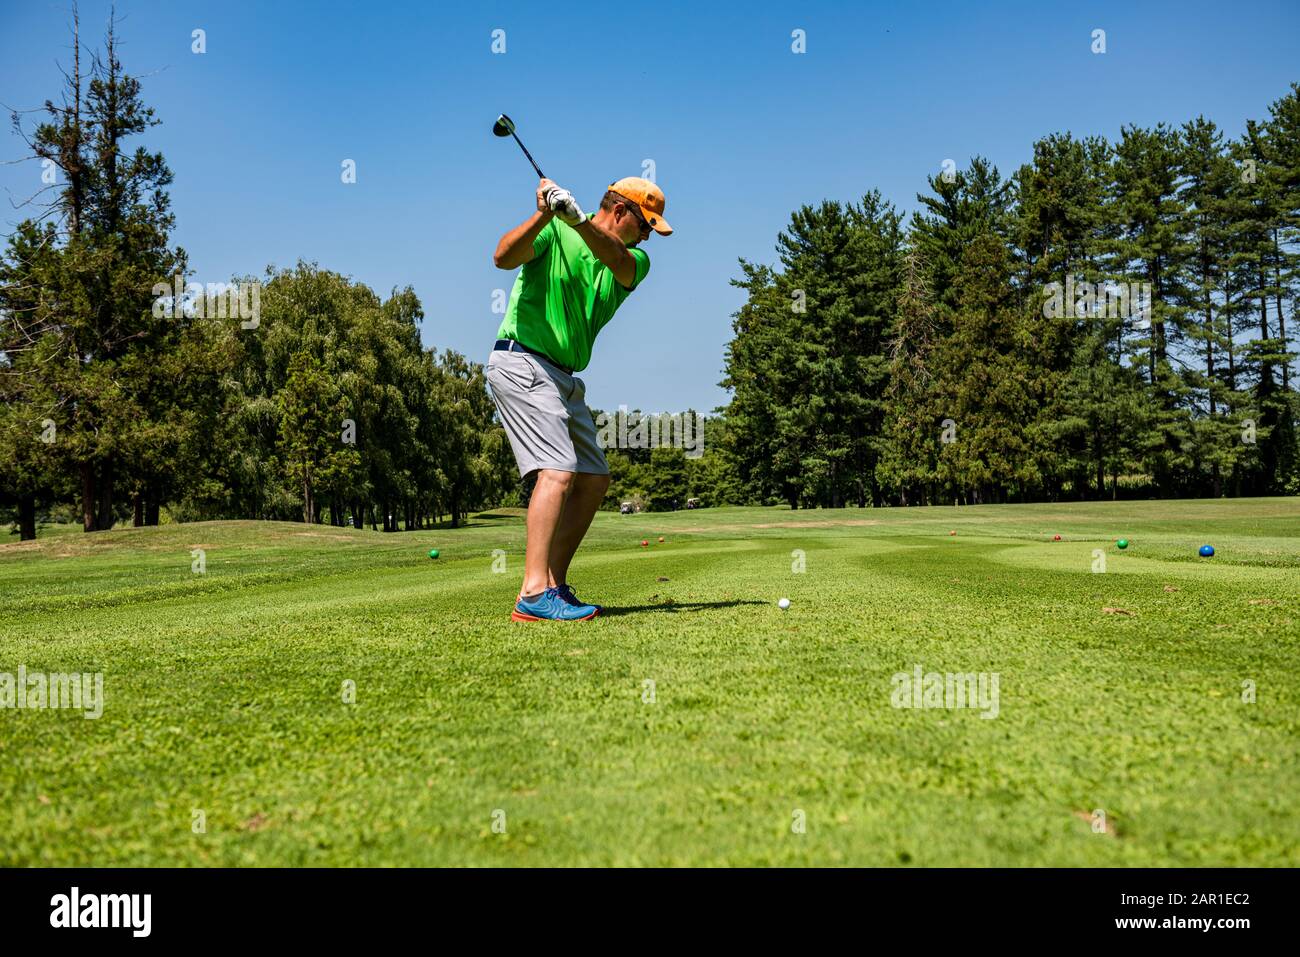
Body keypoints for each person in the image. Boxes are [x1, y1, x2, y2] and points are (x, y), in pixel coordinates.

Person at [488, 176, 673, 621]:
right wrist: (546, 215)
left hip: (565, 379)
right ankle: (532, 595)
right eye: (645, 225)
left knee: (593, 476)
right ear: (622, 211)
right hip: (523, 362)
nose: (648, 236)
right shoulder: (554, 231)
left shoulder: (634, 260)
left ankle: (553, 582)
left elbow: (616, 258)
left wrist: (576, 221)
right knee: (557, 471)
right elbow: (502, 257)